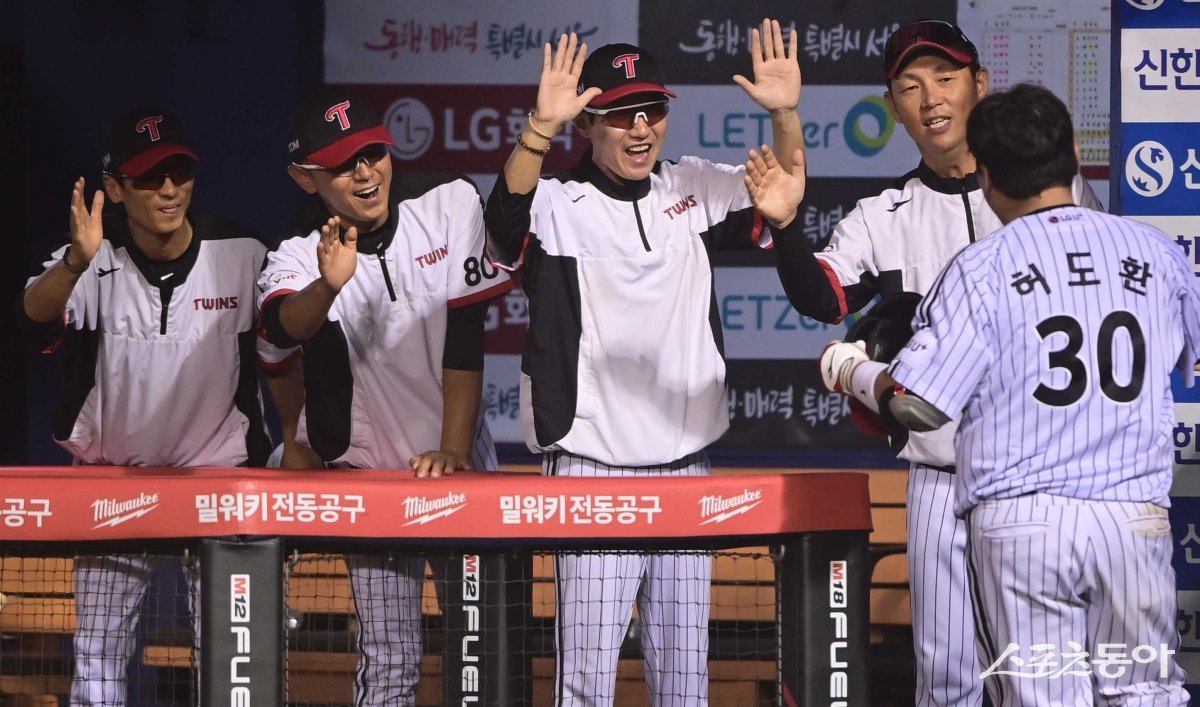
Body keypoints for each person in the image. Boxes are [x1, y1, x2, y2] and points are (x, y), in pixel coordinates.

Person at [760, 19, 1101, 706]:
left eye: (945, 78)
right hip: (942, 480)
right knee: (947, 679)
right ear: (892, 107)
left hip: (1046, 475)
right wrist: (788, 226)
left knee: (1046, 675)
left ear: (980, 83)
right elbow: (821, 297)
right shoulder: (884, 214)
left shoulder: (1048, 195)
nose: (931, 98)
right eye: (910, 86)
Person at [483, 21, 803, 706]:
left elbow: (783, 189)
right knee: (587, 682)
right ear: (586, 123)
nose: (639, 128)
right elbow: (503, 224)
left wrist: (784, 116)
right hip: (592, 468)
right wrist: (539, 127)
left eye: (651, 110)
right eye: (619, 113)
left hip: (685, 466)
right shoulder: (554, 203)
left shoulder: (692, 185)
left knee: (685, 680)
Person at [868, 82, 1192, 705]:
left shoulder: (981, 267)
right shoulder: (1156, 253)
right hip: (1131, 520)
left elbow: (917, 404)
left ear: (986, 177)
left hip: (1024, 526)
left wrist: (860, 373)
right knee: (1147, 692)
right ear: (1074, 155)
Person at [255, 87, 512, 705]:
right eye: (343, 164)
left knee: (481, 651)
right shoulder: (296, 250)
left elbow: (466, 335)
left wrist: (454, 451)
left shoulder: (447, 202)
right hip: (370, 478)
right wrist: (327, 285)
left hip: (458, 461)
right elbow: (281, 332)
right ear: (305, 177)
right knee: (390, 659)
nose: (366, 172)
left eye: (373, 153)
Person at [21, 107, 274, 705]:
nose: (168, 189)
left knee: (233, 663)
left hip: (219, 484)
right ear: (114, 189)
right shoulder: (91, 258)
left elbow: (284, 349)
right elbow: (32, 317)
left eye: (179, 172)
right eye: (148, 177)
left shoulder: (242, 253)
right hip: (113, 482)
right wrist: (77, 261)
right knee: (99, 661)